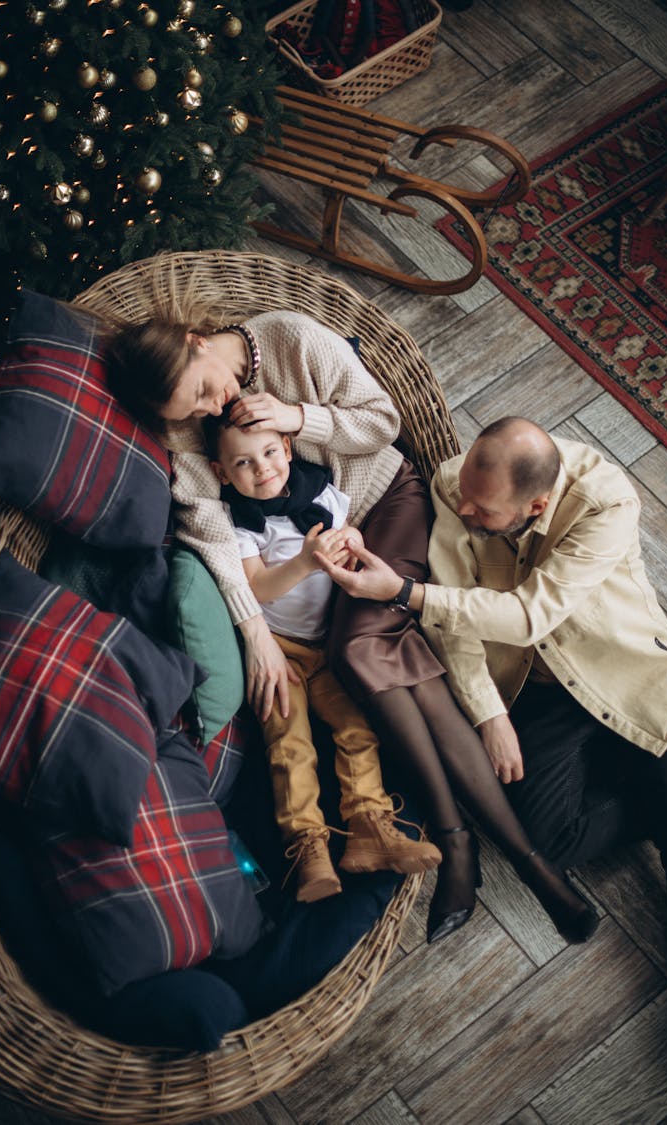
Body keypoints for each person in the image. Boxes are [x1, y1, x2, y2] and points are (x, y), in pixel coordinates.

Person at [105, 307, 599, 944]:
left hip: (384, 503)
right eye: (190, 412)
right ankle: (524, 862)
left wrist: (295, 418)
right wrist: (256, 634)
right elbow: (213, 539)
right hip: (320, 570)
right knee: (375, 657)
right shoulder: (189, 438)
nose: (209, 409)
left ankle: (456, 840)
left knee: (357, 647)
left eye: (204, 390)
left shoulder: (291, 340)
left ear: (199, 342)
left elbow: (383, 423)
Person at [315, 416, 667, 923]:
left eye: (483, 510)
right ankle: (653, 791)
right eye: (465, 492)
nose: (463, 509)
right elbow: (452, 622)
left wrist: (402, 592)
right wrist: (488, 713)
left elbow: (530, 616)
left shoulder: (606, 500)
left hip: (623, 671)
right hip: (539, 689)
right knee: (550, 841)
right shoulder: (452, 485)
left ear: (537, 506)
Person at [203, 412, 442, 902]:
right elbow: (258, 588)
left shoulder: (322, 491)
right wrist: (304, 561)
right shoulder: (240, 522)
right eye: (244, 463)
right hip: (280, 651)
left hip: (330, 644)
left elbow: (351, 539)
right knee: (289, 744)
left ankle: (368, 824)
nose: (263, 469)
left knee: (358, 729)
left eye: (270, 453)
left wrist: (351, 543)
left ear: (288, 449)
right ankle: (308, 845)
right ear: (222, 472)